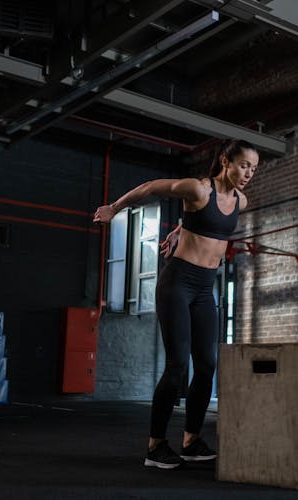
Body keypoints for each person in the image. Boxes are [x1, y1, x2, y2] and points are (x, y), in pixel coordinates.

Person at [93, 139, 259, 469]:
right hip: (178, 283)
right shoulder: (198, 189)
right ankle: (155, 447)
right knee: (177, 366)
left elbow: (206, 227)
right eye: (244, 165)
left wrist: (182, 228)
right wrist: (114, 207)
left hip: (204, 289)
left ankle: (191, 440)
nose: (248, 173)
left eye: (254, 168)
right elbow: (151, 187)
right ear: (226, 161)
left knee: (208, 365)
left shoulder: (240, 200)